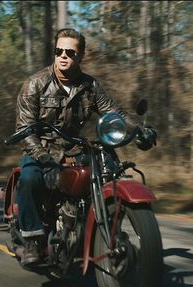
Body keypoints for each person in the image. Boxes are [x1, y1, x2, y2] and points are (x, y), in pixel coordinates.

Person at [15, 28, 156, 266]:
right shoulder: (35, 84)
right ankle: (32, 239)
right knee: (29, 179)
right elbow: (24, 130)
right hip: (40, 148)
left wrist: (139, 129)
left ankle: (93, 226)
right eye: (59, 51)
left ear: (80, 56)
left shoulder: (89, 86)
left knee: (109, 169)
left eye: (70, 52)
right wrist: (44, 159)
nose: (63, 56)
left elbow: (115, 113)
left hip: (75, 148)